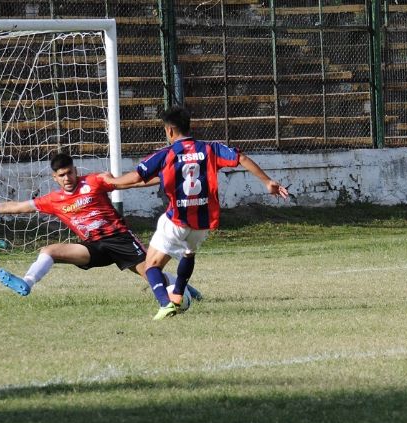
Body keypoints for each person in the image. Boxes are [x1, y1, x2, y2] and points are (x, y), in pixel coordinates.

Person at [104, 106, 289, 320]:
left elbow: (137, 176)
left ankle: (165, 303)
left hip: (177, 220)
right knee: (188, 253)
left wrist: (112, 183)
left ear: (170, 131)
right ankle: (179, 295)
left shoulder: (167, 154)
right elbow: (241, 158)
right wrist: (267, 181)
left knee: (151, 265)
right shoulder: (210, 149)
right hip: (202, 222)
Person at [0, 153, 201, 304]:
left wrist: (166, 179)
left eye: (69, 172)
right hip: (93, 248)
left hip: (120, 240)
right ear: (55, 177)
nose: (67, 178)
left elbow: (128, 183)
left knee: (151, 274)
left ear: (75, 170)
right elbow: (16, 207)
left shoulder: (94, 181)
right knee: (48, 250)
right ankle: (26, 283)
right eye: (61, 175)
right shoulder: (53, 200)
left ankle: (186, 290)